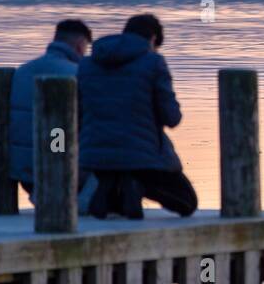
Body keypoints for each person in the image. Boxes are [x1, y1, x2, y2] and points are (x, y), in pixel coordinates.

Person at [78, 13, 197, 218]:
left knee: (113, 177)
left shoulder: (87, 64)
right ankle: (135, 185)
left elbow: (76, 113)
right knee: (187, 202)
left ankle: (113, 192)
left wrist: (59, 145)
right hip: (143, 157)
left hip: (96, 156)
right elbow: (172, 117)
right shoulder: (153, 63)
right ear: (152, 39)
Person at [8, 19, 95, 204]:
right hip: (55, 165)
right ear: (80, 45)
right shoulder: (77, 73)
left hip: (21, 170)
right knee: (62, 133)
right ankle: (82, 203)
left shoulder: (22, 71)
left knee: (58, 133)